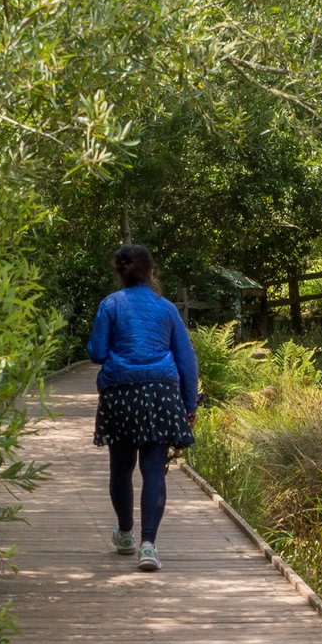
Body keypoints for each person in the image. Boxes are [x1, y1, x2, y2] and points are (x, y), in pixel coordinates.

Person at [84, 243, 198, 571]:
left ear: (121, 271)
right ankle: (149, 546)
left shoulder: (110, 305)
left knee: (120, 469)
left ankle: (124, 534)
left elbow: (96, 353)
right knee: (153, 471)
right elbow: (186, 361)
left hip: (120, 394)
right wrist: (189, 405)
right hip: (161, 394)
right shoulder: (167, 309)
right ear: (151, 272)